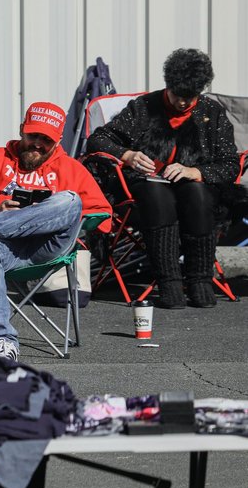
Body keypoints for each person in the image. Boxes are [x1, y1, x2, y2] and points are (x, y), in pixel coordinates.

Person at [0, 102, 112, 360]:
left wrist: (48, 215)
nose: (38, 144)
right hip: (3, 247)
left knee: (70, 200)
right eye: (33, 136)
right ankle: (3, 342)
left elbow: (103, 216)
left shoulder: (70, 169)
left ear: (57, 141)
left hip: (49, 247)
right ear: (22, 130)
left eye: (46, 140)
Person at [86, 48, 240, 309]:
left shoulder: (211, 113)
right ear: (168, 85)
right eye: (177, 95)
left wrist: (197, 172)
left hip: (195, 188)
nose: (182, 102)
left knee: (197, 193)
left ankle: (199, 279)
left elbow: (230, 164)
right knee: (157, 196)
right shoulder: (143, 108)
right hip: (146, 185)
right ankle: (168, 281)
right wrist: (128, 155)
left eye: (189, 97)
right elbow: (98, 140)